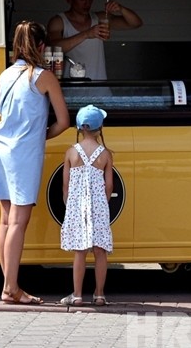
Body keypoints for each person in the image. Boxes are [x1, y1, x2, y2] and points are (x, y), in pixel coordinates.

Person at [0, 20, 70, 306]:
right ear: (42, 46)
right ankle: (10, 289)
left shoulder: (5, 75)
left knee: (6, 220)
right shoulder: (43, 77)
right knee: (19, 221)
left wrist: (5, 136)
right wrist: (38, 137)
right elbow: (64, 121)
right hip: (24, 156)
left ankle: (10, 284)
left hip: (1, 152)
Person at [59, 104, 113, 307]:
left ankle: (78, 295)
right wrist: (102, 202)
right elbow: (109, 186)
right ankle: (99, 294)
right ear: (100, 128)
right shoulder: (105, 154)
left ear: (80, 128)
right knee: (100, 251)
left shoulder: (71, 152)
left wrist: (69, 203)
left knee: (79, 251)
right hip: (99, 205)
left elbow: (66, 185)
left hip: (77, 205)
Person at [47, 0, 143, 79]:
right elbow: (54, 48)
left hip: (100, 90)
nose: (87, 3)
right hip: (73, 91)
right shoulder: (59, 21)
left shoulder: (100, 18)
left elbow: (136, 23)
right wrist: (86, 34)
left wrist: (121, 9)